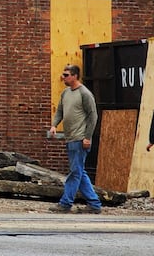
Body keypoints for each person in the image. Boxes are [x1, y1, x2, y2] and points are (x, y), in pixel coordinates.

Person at [49, 65, 102, 214]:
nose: (63, 77)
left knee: (75, 172)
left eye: (66, 75)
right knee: (79, 171)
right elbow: (60, 110)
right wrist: (54, 125)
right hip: (70, 138)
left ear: (75, 76)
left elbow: (93, 116)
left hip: (79, 139)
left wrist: (87, 137)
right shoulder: (66, 93)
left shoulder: (85, 94)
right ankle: (94, 203)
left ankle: (65, 203)